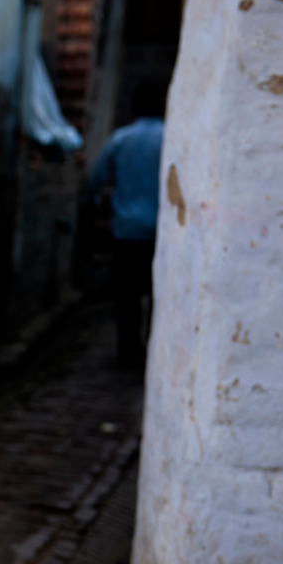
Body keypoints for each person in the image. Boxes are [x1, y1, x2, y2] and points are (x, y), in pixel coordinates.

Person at [86, 81, 166, 367]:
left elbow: (94, 181)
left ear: (134, 108)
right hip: (162, 233)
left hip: (127, 231)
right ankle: (157, 351)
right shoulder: (172, 139)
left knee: (128, 296)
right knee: (161, 295)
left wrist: (92, 206)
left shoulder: (120, 140)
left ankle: (128, 350)